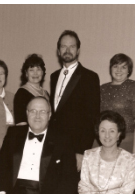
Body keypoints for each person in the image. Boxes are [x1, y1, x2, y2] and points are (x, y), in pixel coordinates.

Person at [66, 111, 135, 194]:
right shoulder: (88, 155)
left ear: (119, 134)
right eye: (103, 130)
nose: (107, 135)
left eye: (112, 131)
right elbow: (84, 185)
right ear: (98, 133)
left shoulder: (129, 160)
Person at [50, 30, 100, 172]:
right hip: (53, 145)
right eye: (63, 46)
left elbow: (92, 117)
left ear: (78, 50)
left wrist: (82, 151)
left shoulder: (89, 77)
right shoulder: (53, 77)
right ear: (58, 51)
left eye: (72, 46)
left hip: (75, 147)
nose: (67, 50)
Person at [101, 53, 135, 172]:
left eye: (123, 67)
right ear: (110, 68)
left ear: (129, 70)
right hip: (103, 142)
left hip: (127, 143)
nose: (119, 70)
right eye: (115, 66)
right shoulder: (102, 89)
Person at [14, 54, 49, 125]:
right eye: (31, 70)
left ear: (43, 72)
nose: (35, 73)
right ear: (26, 73)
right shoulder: (21, 94)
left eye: (38, 69)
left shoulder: (46, 93)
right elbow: (21, 124)